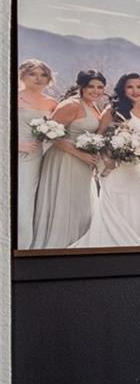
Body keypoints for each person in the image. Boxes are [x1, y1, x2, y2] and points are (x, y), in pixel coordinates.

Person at [71, 72, 140, 249]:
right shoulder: (113, 110)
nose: (135, 91)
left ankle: (134, 246)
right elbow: (99, 138)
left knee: (139, 207)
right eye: (130, 87)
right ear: (123, 89)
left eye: (139, 87)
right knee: (119, 207)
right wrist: (107, 159)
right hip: (117, 169)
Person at [31, 70, 106, 249]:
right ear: (82, 86)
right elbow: (51, 135)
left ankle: (77, 246)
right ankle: (60, 246)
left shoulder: (94, 106)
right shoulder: (71, 105)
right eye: (91, 86)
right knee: (66, 203)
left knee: (79, 204)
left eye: (100, 87)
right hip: (65, 159)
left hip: (83, 163)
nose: (96, 91)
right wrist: (81, 154)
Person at [15, 59, 58, 250]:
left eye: (43, 75)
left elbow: (59, 130)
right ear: (22, 75)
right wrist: (16, 145)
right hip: (15, 153)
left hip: (40, 155)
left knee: (33, 199)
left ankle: (30, 246)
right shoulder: (12, 97)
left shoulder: (52, 103)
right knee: (19, 198)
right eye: (32, 74)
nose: (38, 78)